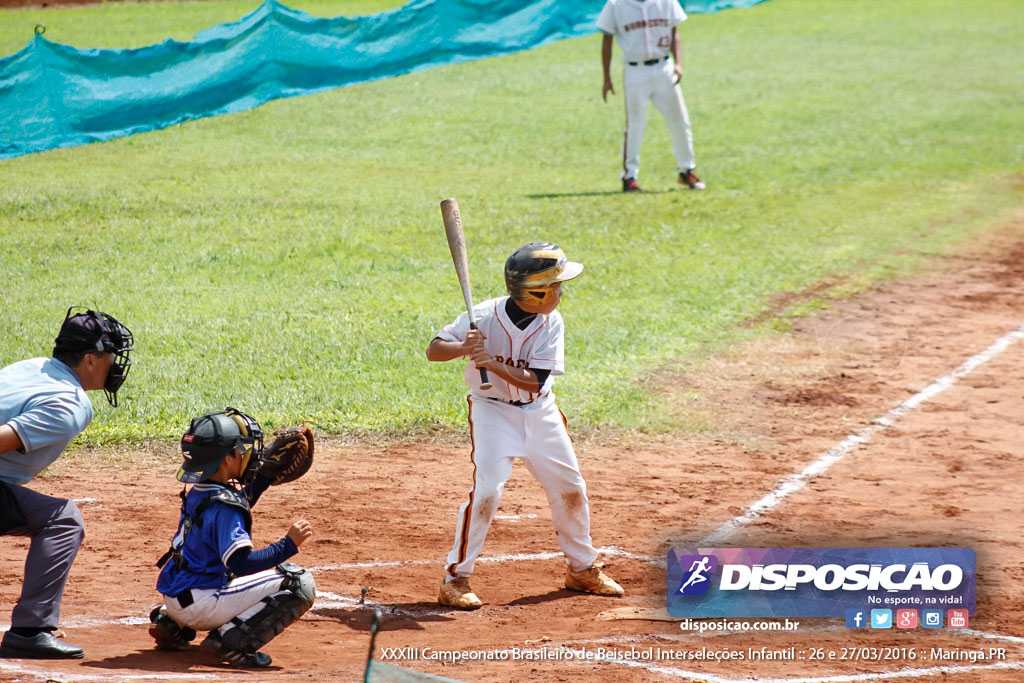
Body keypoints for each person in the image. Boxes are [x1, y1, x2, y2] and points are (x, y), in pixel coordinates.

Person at [427, 242, 623, 610]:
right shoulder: (482, 315)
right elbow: (434, 350)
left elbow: (535, 379)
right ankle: (456, 579)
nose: (561, 292)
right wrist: (463, 347)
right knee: (487, 492)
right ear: (536, 293)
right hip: (492, 412)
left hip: (540, 412)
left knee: (570, 487)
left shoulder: (552, 323)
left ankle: (581, 569)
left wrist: (493, 363)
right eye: (556, 286)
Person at [0, 308, 134, 659]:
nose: (116, 365)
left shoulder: (30, 368)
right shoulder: (70, 403)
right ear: (90, 360)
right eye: (111, 356)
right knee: (62, 520)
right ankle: (30, 631)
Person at [150, 408, 315, 668]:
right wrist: (288, 545)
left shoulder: (200, 491)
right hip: (203, 605)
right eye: (243, 449)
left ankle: (173, 623)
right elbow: (241, 562)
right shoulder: (225, 506)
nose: (251, 454)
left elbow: (239, 501)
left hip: (176, 596)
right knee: (298, 583)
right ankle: (232, 641)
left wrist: (263, 478)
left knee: (212, 562)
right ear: (227, 459)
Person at [598, 0, 705, 193]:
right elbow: (607, 39)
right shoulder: (616, 5)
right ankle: (629, 177)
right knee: (635, 125)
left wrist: (678, 63)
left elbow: (674, 32)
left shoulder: (666, 2)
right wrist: (606, 77)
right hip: (635, 71)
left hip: (664, 68)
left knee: (680, 120)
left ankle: (686, 170)